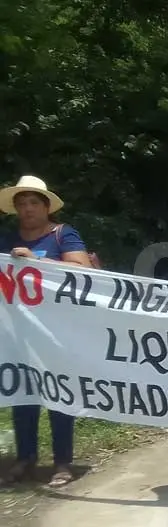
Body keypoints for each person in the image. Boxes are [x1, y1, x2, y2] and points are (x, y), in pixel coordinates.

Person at [0, 176, 94, 488]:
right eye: (21, 204)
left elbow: (84, 270)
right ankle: (26, 458)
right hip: (19, 331)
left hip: (55, 330)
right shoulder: (6, 240)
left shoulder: (62, 235)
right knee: (22, 394)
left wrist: (39, 262)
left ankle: (62, 461)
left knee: (57, 393)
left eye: (32, 203)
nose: (27, 210)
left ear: (46, 207)